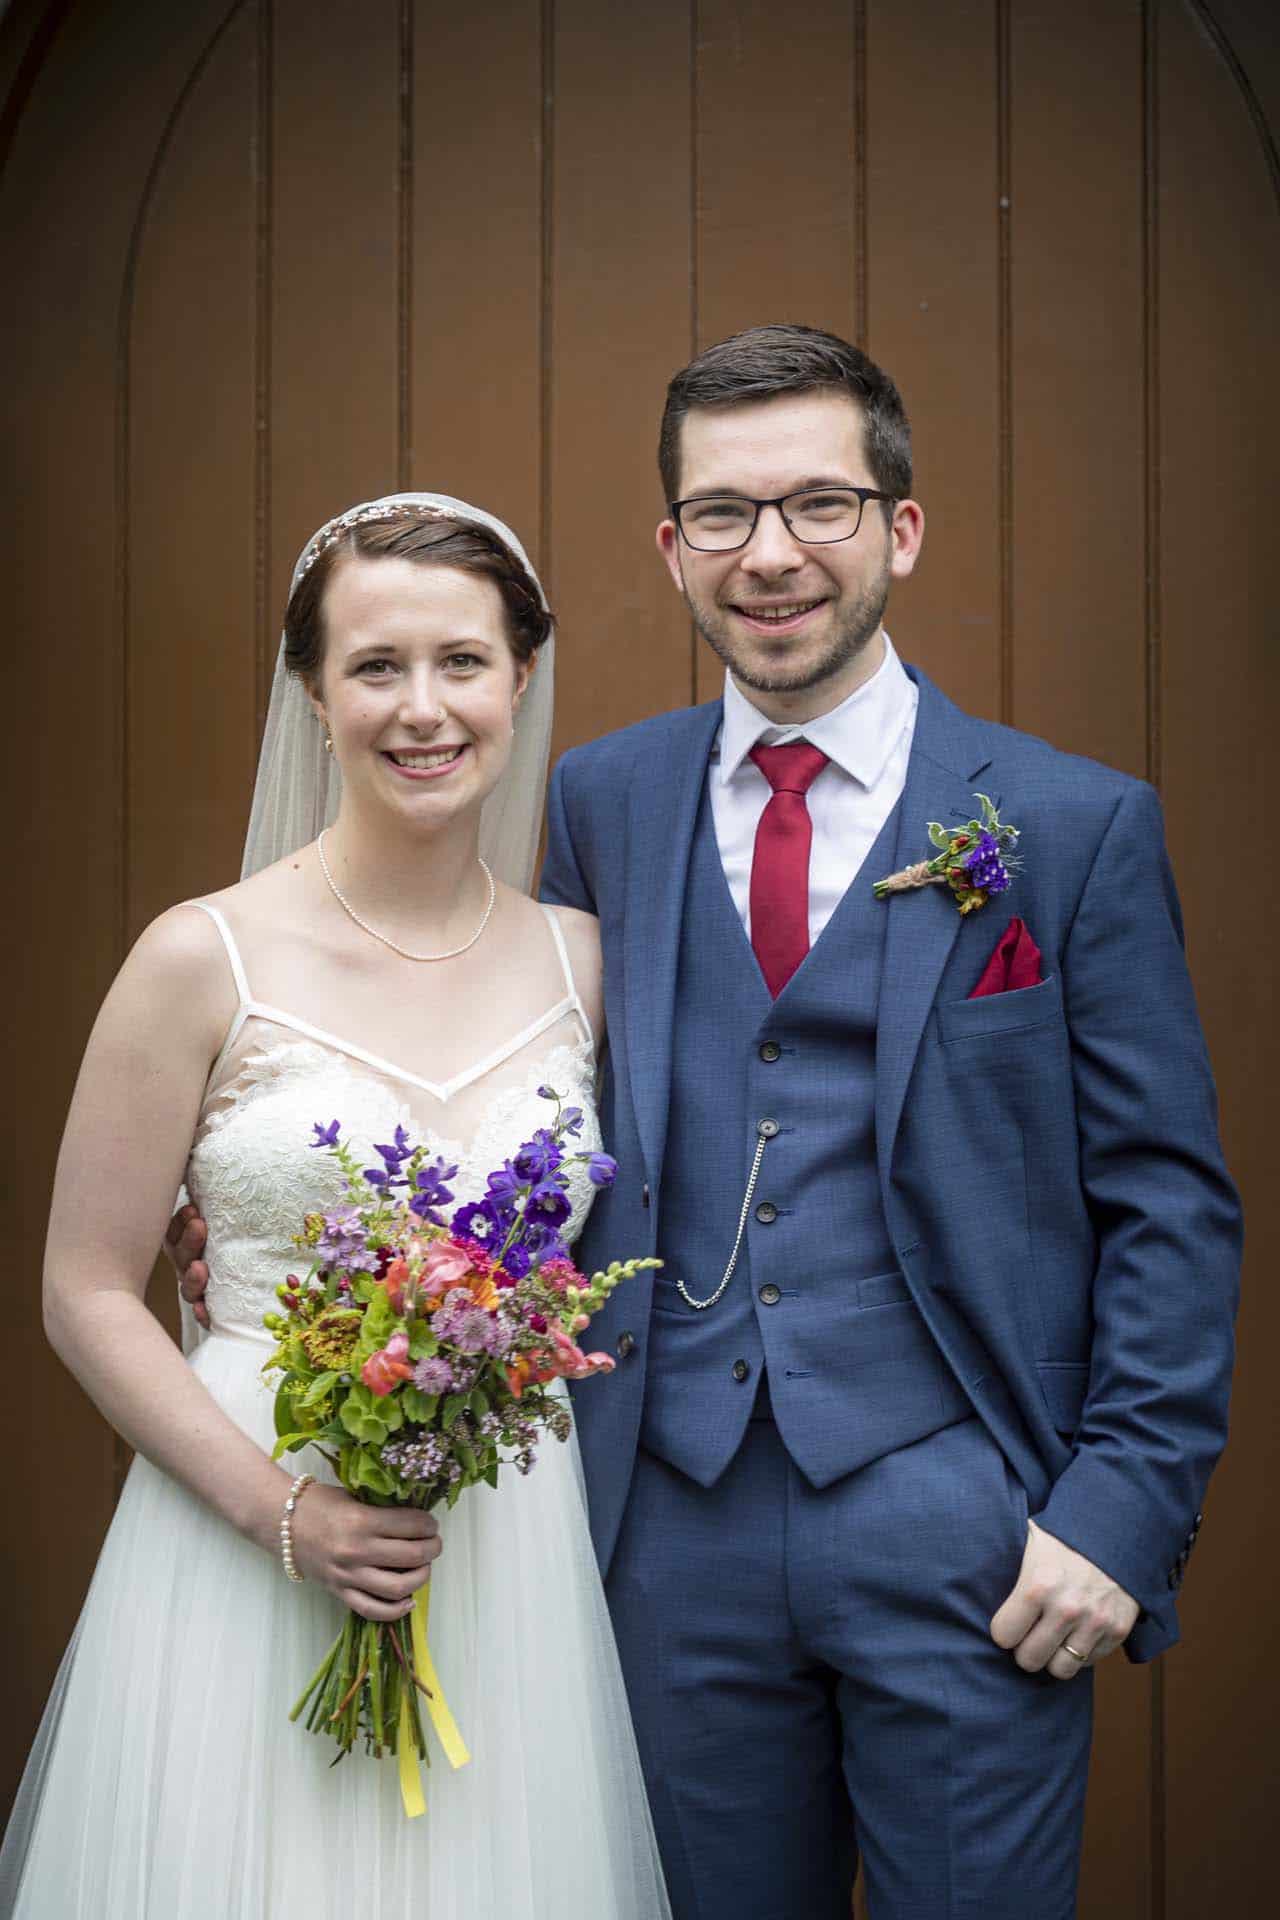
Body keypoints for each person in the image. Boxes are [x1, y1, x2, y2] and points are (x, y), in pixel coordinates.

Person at [175, 327, 1242, 1920]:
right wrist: (307, 1232)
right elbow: (540, 1088)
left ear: (902, 527)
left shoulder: (1067, 822)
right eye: (725, 515)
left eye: (820, 504)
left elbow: (1168, 1199)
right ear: (674, 550)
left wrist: (1117, 1512)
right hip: (662, 1535)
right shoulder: (605, 800)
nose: (775, 555)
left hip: (973, 1525)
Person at [1, 494, 671, 1919]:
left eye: (462, 663)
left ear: (523, 677)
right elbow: (82, 1286)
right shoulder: (200, 958)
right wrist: (281, 1508)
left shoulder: (588, 967)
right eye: (375, 666)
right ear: (311, 689)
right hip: (246, 1532)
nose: (421, 709)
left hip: (506, 1550)